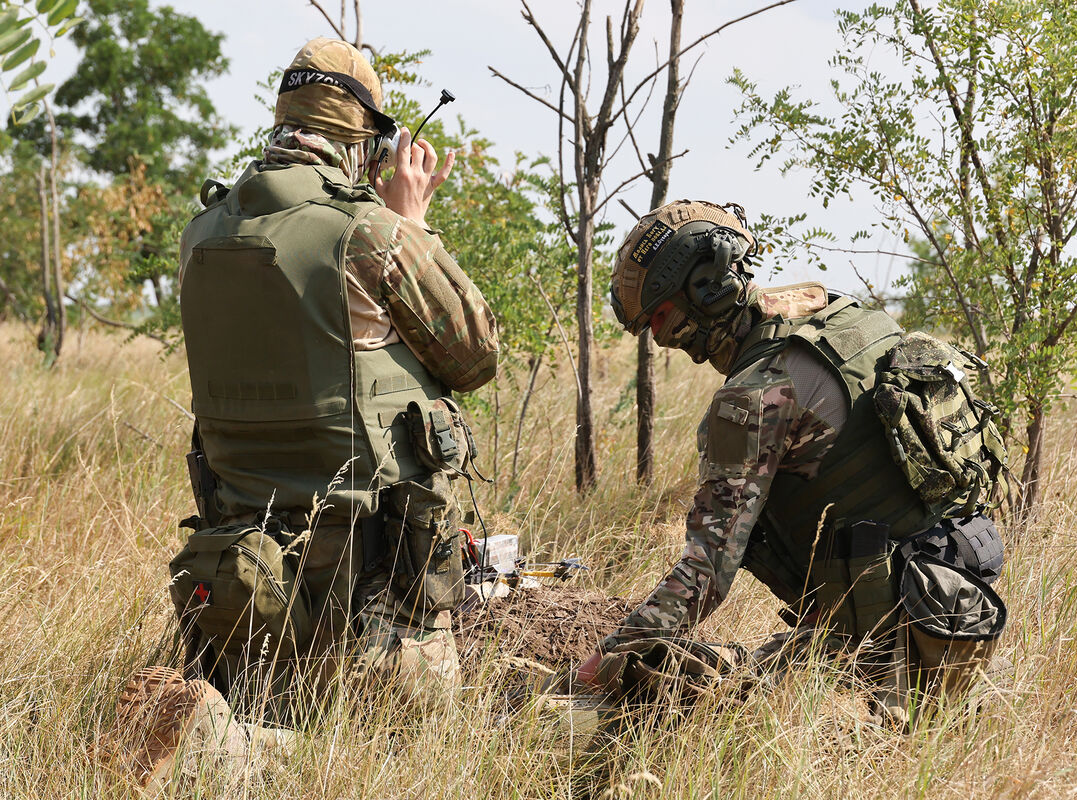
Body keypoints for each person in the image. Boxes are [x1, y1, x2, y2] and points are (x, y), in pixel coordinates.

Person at [98, 38, 498, 788]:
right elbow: (475, 356)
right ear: (362, 141)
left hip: (243, 560)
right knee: (418, 748)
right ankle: (224, 747)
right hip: (372, 567)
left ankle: (223, 719)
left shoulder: (201, 233)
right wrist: (411, 221)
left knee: (299, 698)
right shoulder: (370, 233)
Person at [577, 200, 1007, 721]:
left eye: (661, 318)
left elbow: (704, 574)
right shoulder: (844, 316)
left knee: (660, 707)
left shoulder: (754, 397)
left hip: (888, 661)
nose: (662, 339)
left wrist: (609, 657)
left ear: (702, 291)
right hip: (960, 610)